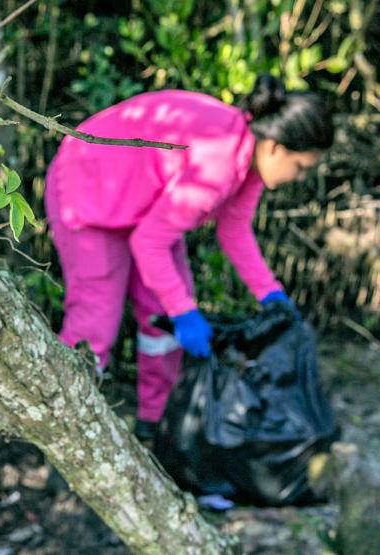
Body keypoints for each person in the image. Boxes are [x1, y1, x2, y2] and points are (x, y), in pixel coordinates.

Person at [44, 74, 333, 441]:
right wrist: (183, 312)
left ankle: (156, 426)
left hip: (145, 207)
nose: (299, 177)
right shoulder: (219, 164)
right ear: (276, 147)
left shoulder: (251, 155)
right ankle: (65, 433)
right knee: (94, 323)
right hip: (88, 188)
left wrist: (270, 293)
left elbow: (234, 229)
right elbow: (150, 243)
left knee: (161, 317)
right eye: (302, 166)